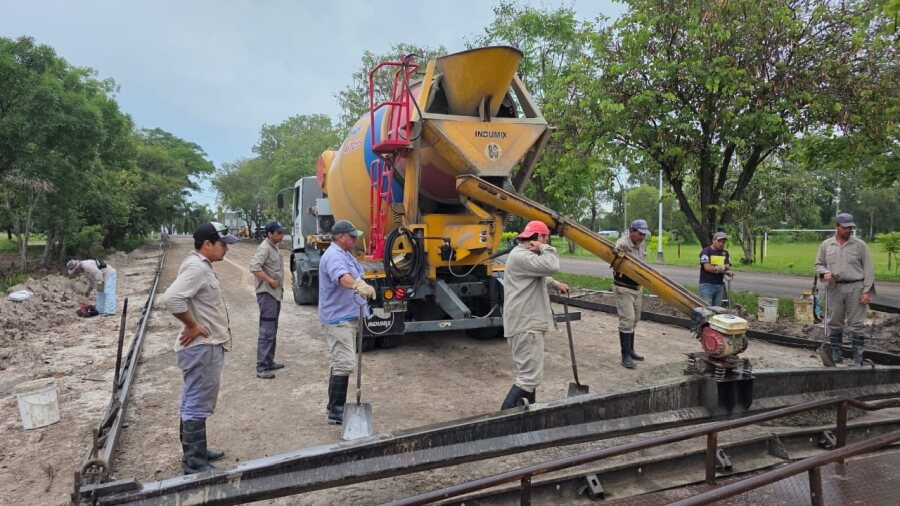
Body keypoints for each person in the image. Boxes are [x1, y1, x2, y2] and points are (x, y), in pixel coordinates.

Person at [161, 222, 238, 474]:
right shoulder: (197, 268)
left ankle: (197, 452)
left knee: (191, 400)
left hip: (203, 347)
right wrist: (192, 325)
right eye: (222, 243)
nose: (226, 248)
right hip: (203, 347)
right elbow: (172, 298)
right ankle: (195, 464)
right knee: (196, 402)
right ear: (207, 244)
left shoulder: (199, 265)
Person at [501, 220, 570, 409]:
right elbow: (551, 265)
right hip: (526, 325)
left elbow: (538, 273)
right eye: (546, 238)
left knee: (530, 377)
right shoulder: (521, 255)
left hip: (526, 323)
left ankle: (529, 415)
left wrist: (554, 284)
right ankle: (501, 423)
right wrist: (546, 248)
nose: (548, 242)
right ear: (539, 237)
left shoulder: (522, 256)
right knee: (528, 378)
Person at [318, 220, 376, 425]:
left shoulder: (344, 254)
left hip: (347, 317)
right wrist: (358, 285)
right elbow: (342, 278)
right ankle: (336, 411)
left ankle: (333, 406)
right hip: (338, 320)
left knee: (340, 362)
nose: (354, 239)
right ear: (340, 236)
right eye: (351, 236)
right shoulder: (334, 256)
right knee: (344, 363)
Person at [814, 212, 876, 367]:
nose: (848, 230)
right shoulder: (826, 245)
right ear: (837, 227)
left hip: (856, 286)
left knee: (857, 323)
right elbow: (818, 264)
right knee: (835, 321)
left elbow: (868, 269)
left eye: (850, 227)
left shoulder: (860, 245)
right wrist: (824, 272)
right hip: (834, 287)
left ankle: (857, 358)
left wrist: (867, 291)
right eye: (845, 227)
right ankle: (836, 356)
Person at [250, 220, 287, 379]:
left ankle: (269, 361)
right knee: (267, 331)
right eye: (278, 232)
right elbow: (254, 267)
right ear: (270, 233)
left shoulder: (274, 247)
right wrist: (270, 280)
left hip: (275, 294)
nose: (282, 235)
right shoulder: (264, 248)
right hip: (267, 294)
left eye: (282, 232)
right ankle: (262, 367)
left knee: (272, 328)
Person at [613, 219, 650, 369]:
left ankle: (631, 350)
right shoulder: (622, 243)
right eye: (640, 234)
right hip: (624, 287)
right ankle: (625, 356)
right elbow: (615, 256)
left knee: (635, 319)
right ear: (631, 231)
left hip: (637, 287)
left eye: (644, 235)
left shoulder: (641, 244)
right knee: (627, 319)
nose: (642, 237)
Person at [699, 232, 732, 307]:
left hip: (719, 285)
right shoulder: (706, 252)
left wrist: (721, 268)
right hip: (707, 285)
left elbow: (728, 265)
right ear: (713, 240)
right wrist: (720, 268)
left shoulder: (725, 253)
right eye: (719, 241)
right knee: (707, 308)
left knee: (717, 309)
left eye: (723, 242)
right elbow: (707, 267)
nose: (721, 244)